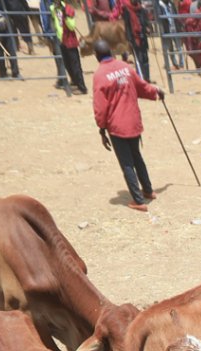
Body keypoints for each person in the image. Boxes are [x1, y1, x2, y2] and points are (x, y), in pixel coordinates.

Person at [92, 38, 162, 211]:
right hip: (133, 121)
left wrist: (101, 128)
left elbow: (100, 107)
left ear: (96, 56)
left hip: (117, 126)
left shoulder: (100, 75)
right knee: (137, 156)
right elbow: (142, 87)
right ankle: (148, 190)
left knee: (127, 163)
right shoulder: (125, 67)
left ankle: (138, 201)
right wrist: (157, 92)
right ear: (111, 52)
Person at [52, 0, 87, 93]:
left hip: (70, 41)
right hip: (61, 40)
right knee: (67, 64)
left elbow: (72, 26)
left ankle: (82, 87)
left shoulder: (68, 9)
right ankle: (75, 82)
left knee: (75, 65)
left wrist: (65, 15)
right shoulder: (53, 9)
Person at [115, 0, 151, 80]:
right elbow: (127, 26)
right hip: (134, 38)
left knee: (145, 57)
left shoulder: (142, 9)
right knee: (138, 59)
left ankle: (147, 78)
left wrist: (147, 28)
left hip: (143, 37)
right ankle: (140, 78)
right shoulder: (126, 10)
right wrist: (129, 39)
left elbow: (145, 21)